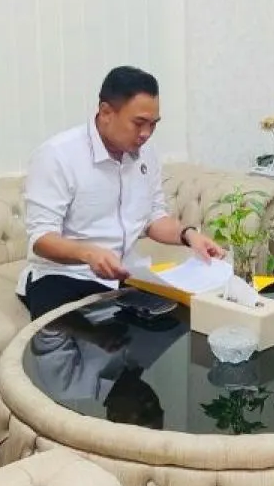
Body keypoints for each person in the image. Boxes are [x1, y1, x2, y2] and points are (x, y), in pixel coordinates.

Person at [18, 66, 225, 319]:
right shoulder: (57, 155)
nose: (146, 134)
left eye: (153, 124)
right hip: (64, 276)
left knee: (184, 323)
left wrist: (188, 235)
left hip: (125, 274)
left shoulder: (147, 153)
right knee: (80, 337)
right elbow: (41, 239)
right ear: (106, 112)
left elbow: (154, 217)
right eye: (138, 123)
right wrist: (88, 253)